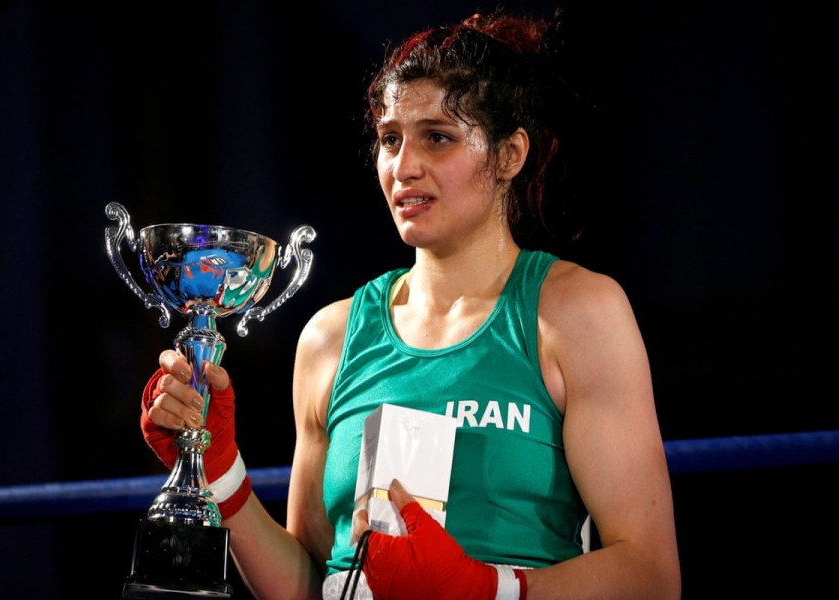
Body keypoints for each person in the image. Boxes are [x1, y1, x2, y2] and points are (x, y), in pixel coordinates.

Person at [139, 8, 681, 600]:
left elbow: (650, 574)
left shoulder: (577, 313)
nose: (404, 167)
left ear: (509, 155)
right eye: (390, 139)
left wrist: (482, 589)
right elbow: (309, 581)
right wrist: (219, 471)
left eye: (438, 137)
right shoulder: (331, 338)